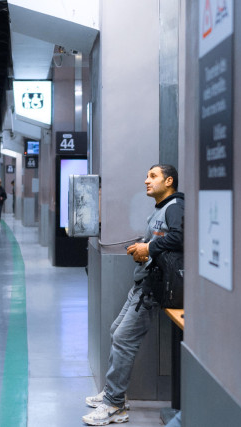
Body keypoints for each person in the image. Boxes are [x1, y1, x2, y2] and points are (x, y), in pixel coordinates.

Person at [82, 164, 184, 426]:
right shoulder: (161, 210)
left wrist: (148, 247)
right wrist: (142, 246)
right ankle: (114, 393)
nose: (146, 181)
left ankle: (114, 405)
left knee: (124, 338)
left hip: (151, 290)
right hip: (141, 285)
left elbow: (180, 237)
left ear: (169, 180)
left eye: (153, 176)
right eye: (147, 175)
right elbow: (161, 240)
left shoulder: (176, 208)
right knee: (117, 331)